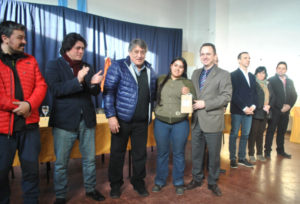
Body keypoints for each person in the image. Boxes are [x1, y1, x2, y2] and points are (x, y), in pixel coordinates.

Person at [45, 33, 105, 204]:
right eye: (77, 48)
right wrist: (77, 80)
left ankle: (91, 189)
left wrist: (94, 84)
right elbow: (56, 89)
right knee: (62, 163)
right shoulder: (54, 65)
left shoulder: (87, 66)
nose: (81, 51)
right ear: (67, 48)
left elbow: (94, 93)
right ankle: (61, 196)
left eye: (83, 48)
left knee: (89, 160)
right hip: (64, 122)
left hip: (86, 119)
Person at [0, 21, 47, 204]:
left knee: (31, 172)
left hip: (30, 128)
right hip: (4, 132)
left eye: (24, 37)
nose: (24, 41)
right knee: (1, 173)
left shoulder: (30, 60)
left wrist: (29, 104)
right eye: (19, 38)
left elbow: (41, 85)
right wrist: (19, 107)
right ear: (5, 38)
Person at [103, 39, 156, 198]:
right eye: (136, 52)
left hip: (141, 122)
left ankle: (138, 181)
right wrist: (111, 116)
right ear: (130, 52)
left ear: (145, 53)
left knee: (140, 155)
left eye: (142, 52)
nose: (139, 55)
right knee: (117, 154)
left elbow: (152, 95)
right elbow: (108, 93)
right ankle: (115, 184)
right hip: (121, 120)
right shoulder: (118, 67)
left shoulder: (150, 70)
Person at [186, 43, 232, 196]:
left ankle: (212, 182)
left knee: (213, 154)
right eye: (203, 54)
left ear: (214, 56)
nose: (205, 56)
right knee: (196, 153)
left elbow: (226, 96)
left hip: (213, 119)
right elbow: (193, 94)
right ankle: (197, 178)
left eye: (208, 53)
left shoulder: (224, 74)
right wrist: (188, 99)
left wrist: (205, 104)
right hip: (196, 120)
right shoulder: (195, 73)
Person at [151, 57, 196, 195]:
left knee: (179, 154)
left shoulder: (187, 82)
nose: (178, 68)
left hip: (180, 123)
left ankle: (178, 182)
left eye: (181, 67)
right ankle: (160, 181)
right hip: (161, 122)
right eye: (175, 65)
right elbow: (153, 97)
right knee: (162, 154)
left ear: (184, 70)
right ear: (170, 66)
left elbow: (192, 101)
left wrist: (187, 93)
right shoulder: (161, 79)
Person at [229, 52, 257, 168]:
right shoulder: (233, 75)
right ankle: (232, 158)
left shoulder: (252, 76)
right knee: (234, 134)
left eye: (249, 58)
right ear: (239, 60)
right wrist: (245, 108)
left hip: (250, 111)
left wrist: (253, 106)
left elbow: (255, 93)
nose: (248, 60)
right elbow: (233, 94)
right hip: (237, 110)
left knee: (245, 134)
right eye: (245, 58)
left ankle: (241, 158)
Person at [264, 62, 297, 159]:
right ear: (276, 69)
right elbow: (270, 96)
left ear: (286, 70)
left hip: (286, 111)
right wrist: (280, 106)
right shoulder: (271, 80)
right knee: (270, 131)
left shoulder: (290, 81)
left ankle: (280, 151)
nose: (281, 70)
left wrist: (289, 105)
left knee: (282, 132)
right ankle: (267, 152)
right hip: (274, 111)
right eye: (279, 68)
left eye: (283, 68)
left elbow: (294, 95)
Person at [248, 66, 272, 162]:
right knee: (253, 134)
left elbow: (271, 97)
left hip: (265, 112)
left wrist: (268, 105)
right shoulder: (253, 83)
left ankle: (259, 153)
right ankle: (251, 154)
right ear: (256, 74)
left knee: (260, 134)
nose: (261, 75)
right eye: (259, 72)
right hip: (256, 112)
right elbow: (252, 98)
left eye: (263, 73)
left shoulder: (267, 84)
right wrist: (262, 105)